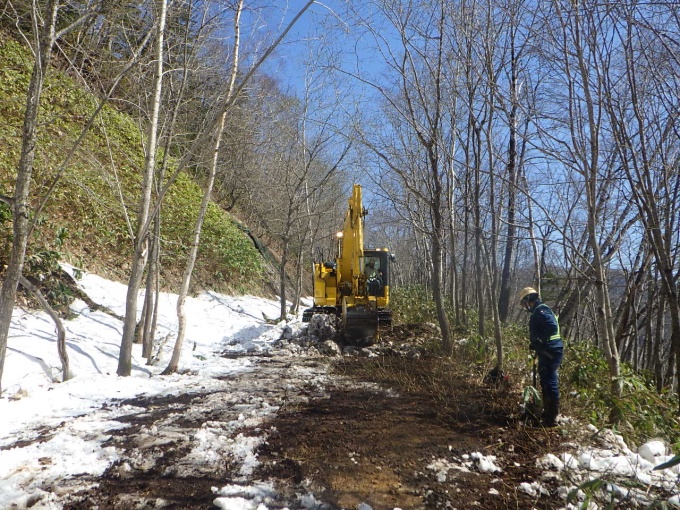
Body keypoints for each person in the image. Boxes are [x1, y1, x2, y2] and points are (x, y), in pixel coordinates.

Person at [518, 287, 564, 427]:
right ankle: (548, 413)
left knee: (549, 383)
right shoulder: (540, 310)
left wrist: (540, 341)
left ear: (527, 300)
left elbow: (551, 327)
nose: (525, 307)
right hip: (548, 350)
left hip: (550, 351)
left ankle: (551, 418)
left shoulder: (541, 311)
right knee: (546, 381)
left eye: (524, 303)